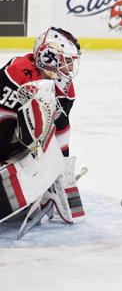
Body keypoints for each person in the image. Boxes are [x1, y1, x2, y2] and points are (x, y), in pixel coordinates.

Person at [0, 27, 85, 229]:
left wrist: (61, 173)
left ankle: (52, 186)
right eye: (66, 60)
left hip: (12, 143)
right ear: (49, 57)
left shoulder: (65, 90)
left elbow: (60, 133)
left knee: (50, 125)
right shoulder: (17, 71)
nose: (70, 67)